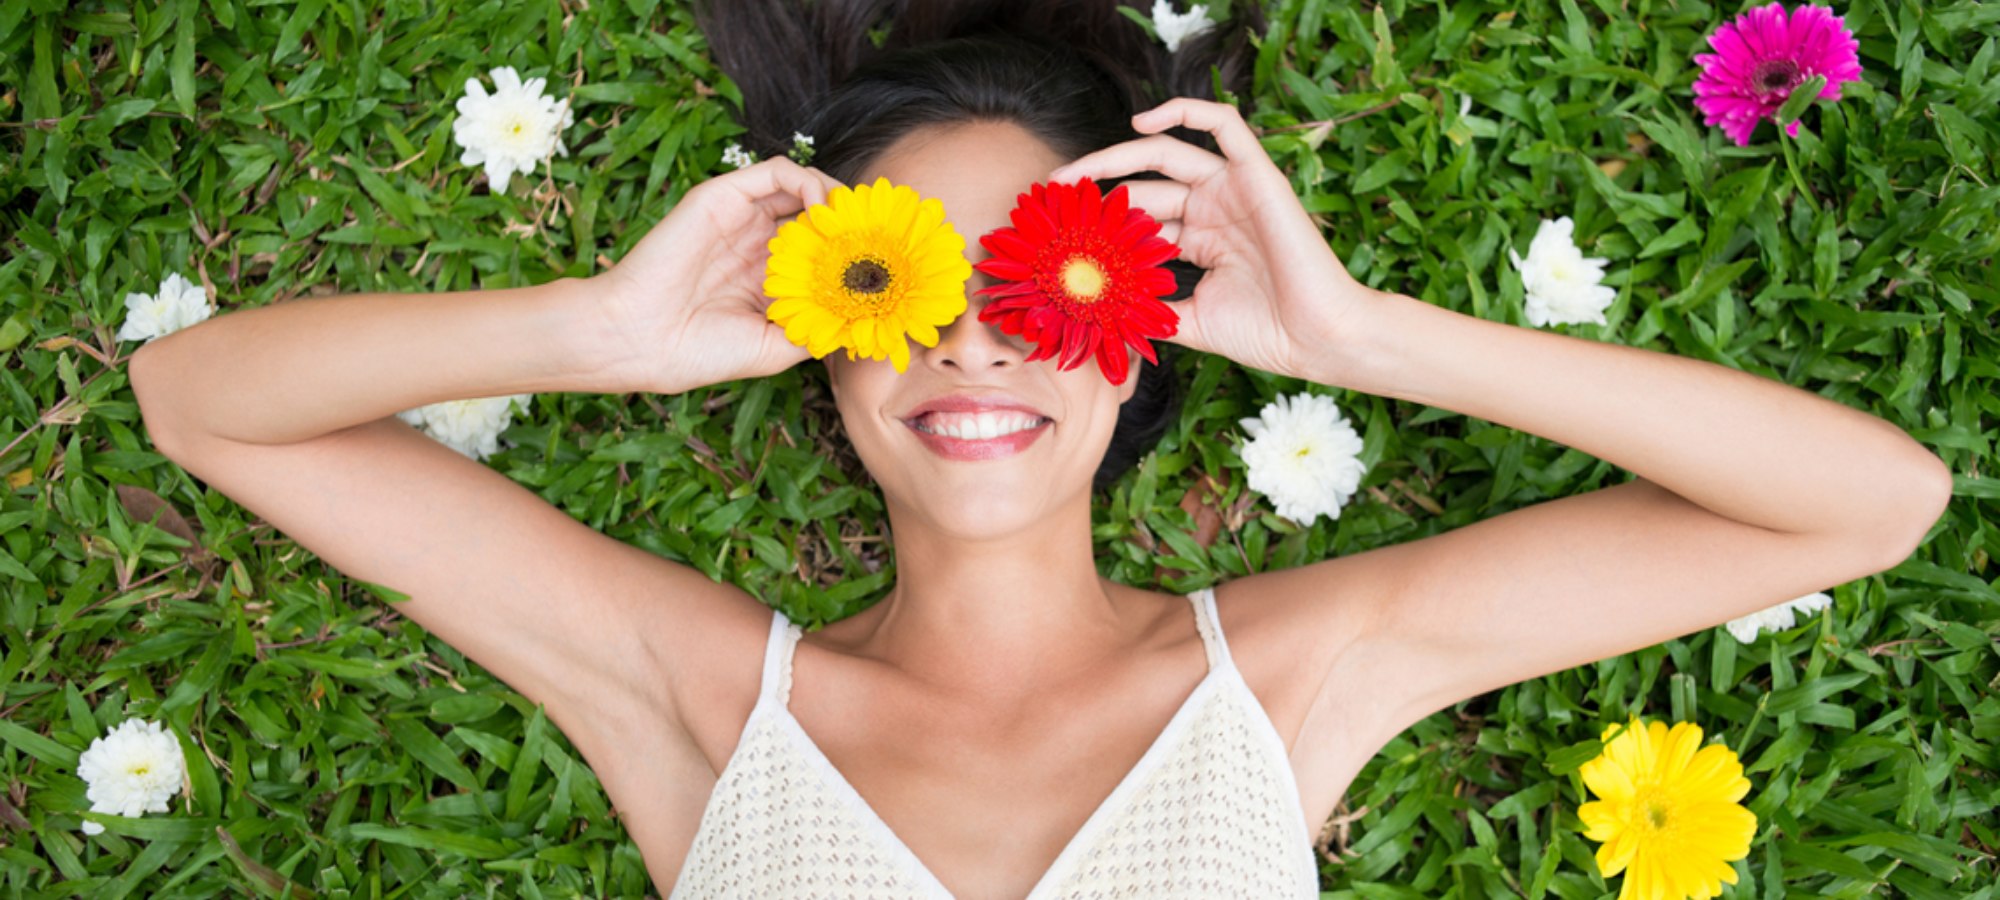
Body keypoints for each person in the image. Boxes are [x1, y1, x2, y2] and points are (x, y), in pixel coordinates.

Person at [127, 1, 1953, 896]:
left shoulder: (1294, 679)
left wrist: (1363, 338)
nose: (977, 338)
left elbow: (1874, 502)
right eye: (904, 278)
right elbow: (197, 402)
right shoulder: (695, 696)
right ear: (825, 345)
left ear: (1134, 334)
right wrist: (594, 332)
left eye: (1037, 283)